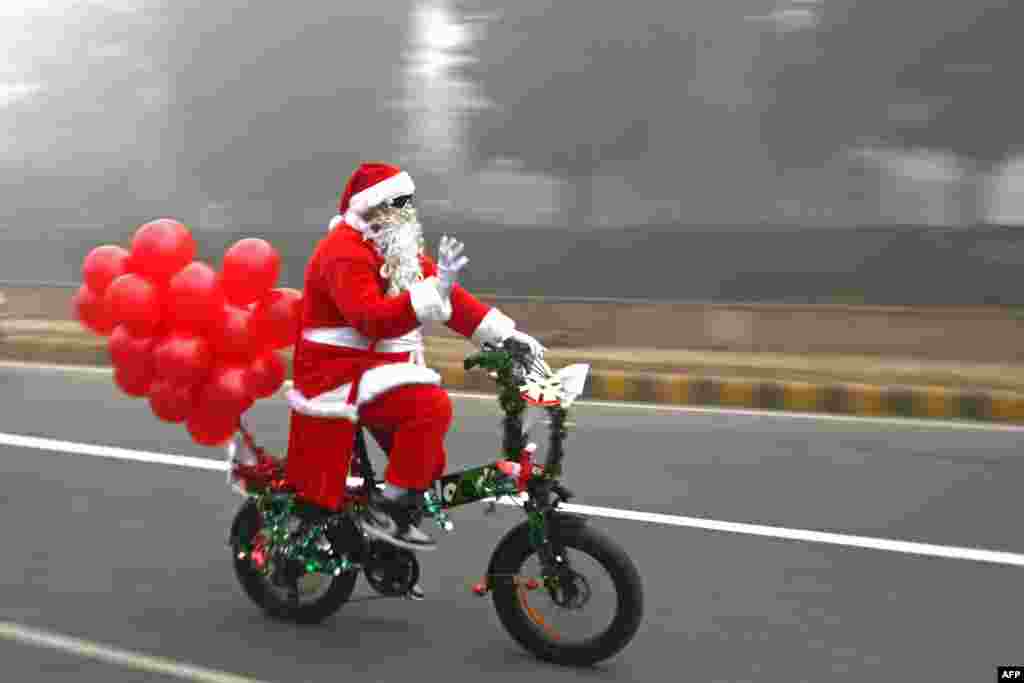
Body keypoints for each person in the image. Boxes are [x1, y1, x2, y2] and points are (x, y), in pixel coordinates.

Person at [284, 162, 545, 556]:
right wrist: (428, 294)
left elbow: (452, 302)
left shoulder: (394, 250)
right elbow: (370, 319)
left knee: (425, 456)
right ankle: (386, 512)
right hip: (337, 375)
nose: (407, 211)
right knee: (428, 408)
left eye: (409, 202)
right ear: (369, 208)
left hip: (378, 370)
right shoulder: (342, 253)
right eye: (397, 203)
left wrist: (505, 336)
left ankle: (398, 509)